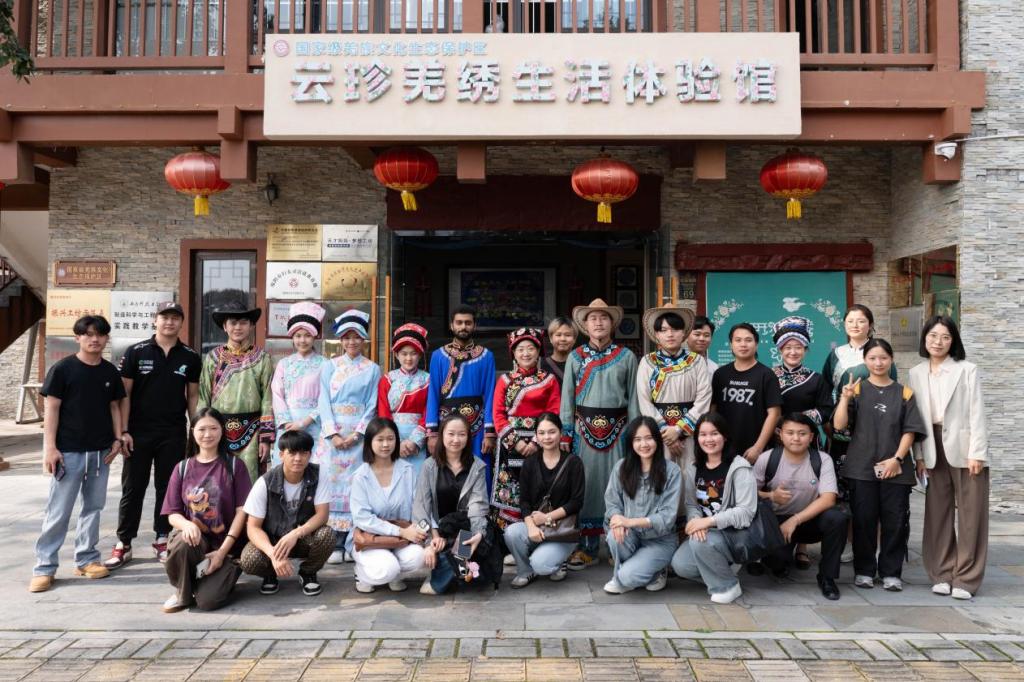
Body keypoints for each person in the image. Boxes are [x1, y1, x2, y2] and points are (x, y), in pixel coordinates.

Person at [30, 315, 126, 593]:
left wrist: (118, 439)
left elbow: (114, 407)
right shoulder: (63, 369)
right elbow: (52, 409)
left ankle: (86, 559)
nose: (94, 339)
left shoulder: (109, 372)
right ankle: (44, 567)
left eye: (100, 334)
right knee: (58, 511)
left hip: (101, 452)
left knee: (93, 508)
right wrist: (50, 448)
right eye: (88, 334)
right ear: (78, 338)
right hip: (68, 452)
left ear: (106, 339)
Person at [105, 301, 201, 569]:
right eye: (164, 317)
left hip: (173, 431)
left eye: (175, 318)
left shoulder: (190, 356)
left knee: (167, 487)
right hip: (138, 432)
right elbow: (125, 394)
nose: (169, 322)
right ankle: (124, 542)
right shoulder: (136, 352)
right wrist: (123, 431)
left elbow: (193, 396)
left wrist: (194, 429)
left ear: (181, 322)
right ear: (154, 320)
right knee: (133, 487)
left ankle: (162, 538)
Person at [832, 338, 927, 592]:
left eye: (883, 358)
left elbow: (910, 430)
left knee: (895, 521)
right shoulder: (857, 391)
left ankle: (891, 573)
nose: (878, 363)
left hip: (896, 469)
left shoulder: (904, 393)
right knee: (863, 521)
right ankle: (864, 570)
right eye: (872, 358)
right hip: (861, 468)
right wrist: (844, 399)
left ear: (891, 360)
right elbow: (839, 425)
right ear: (865, 360)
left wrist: (897, 459)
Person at [909, 316, 989, 599]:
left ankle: (966, 578)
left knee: (971, 514)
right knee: (937, 513)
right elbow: (916, 418)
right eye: (933, 336)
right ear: (925, 339)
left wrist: (977, 452)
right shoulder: (916, 373)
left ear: (953, 340)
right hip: (931, 446)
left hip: (965, 448)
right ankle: (941, 573)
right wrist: (918, 456)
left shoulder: (967, 369)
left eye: (945, 337)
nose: (938, 342)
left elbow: (977, 412)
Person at [560, 298, 639, 570]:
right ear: (585, 325)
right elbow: (567, 398)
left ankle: (619, 544)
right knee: (588, 485)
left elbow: (633, 399)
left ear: (612, 323)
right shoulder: (575, 357)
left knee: (620, 484)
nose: (598, 322)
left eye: (604, 318)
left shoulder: (627, 356)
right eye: (593, 318)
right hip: (584, 431)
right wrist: (566, 433)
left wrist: (636, 434)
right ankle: (588, 548)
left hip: (619, 430)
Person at [160, 407, 252, 612]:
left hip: (226, 547)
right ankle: (183, 593)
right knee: (183, 541)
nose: (207, 434)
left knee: (208, 602)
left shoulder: (235, 466)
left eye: (213, 428)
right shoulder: (182, 468)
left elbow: (242, 512)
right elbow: (173, 514)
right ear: (193, 432)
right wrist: (186, 525)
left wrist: (222, 552)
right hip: (195, 543)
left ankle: (214, 580)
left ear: (222, 430)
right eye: (202, 429)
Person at [751, 413, 848, 600]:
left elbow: (828, 499)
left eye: (802, 433)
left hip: (808, 520)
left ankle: (827, 577)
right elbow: (747, 494)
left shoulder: (822, 459)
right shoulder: (767, 458)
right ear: (780, 434)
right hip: (777, 522)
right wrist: (771, 495)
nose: (796, 438)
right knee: (776, 563)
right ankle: (779, 558)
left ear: (811, 437)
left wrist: (795, 520)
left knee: (837, 517)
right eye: (790, 433)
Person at [671, 413, 757, 605]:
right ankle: (722, 571)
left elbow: (746, 512)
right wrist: (696, 522)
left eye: (714, 433)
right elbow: (691, 504)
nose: (708, 439)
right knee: (681, 566)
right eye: (703, 434)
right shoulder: (694, 468)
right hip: (707, 532)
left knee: (699, 544)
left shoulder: (739, 467)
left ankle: (728, 586)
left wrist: (708, 522)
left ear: (724, 436)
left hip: (734, 534)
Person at [318, 309, 381, 563]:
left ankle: (354, 539)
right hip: (333, 438)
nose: (352, 342)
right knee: (332, 485)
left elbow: (373, 403)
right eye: (347, 337)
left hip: (359, 436)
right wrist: (332, 434)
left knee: (358, 484)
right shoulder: (329, 366)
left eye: (356, 337)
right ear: (341, 340)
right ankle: (333, 541)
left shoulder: (373, 369)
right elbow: (323, 401)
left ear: (363, 339)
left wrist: (357, 434)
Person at [240, 429, 334, 597]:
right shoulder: (265, 482)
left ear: (310, 455)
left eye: (303, 453)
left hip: (303, 538)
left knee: (327, 535)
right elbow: (253, 527)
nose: (298, 458)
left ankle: (308, 573)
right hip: (273, 540)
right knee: (249, 560)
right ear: (281, 455)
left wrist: (296, 533)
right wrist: (273, 554)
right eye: (292, 453)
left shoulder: (318, 474)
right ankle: (270, 573)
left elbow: (322, 515)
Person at [503, 412, 585, 588]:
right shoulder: (530, 463)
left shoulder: (574, 462)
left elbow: (576, 502)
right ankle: (525, 571)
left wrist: (546, 518)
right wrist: (531, 526)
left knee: (541, 565)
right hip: (538, 525)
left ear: (560, 432)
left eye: (552, 432)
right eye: (541, 433)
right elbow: (524, 501)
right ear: (536, 436)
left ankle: (559, 560)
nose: (547, 437)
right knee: (511, 533)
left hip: (563, 530)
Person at [412, 415, 491, 595]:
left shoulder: (477, 466)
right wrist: (432, 539)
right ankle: (450, 571)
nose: (456, 439)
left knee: (469, 546)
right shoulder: (429, 466)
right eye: (451, 434)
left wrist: (478, 534)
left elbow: (478, 506)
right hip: (437, 529)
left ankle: (443, 576)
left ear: (468, 437)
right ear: (442, 435)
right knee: (456, 561)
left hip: (466, 528)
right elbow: (421, 507)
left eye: (462, 434)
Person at [602, 416, 682, 594]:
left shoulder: (672, 471)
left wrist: (629, 522)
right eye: (637, 439)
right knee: (614, 536)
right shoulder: (621, 467)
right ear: (631, 443)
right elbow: (612, 503)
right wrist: (617, 519)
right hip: (631, 535)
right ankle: (632, 570)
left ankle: (655, 570)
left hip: (660, 540)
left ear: (657, 440)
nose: (643, 444)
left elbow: (667, 517)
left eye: (649, 438)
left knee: (628, 578)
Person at [491, 327, 561, 528]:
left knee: (539, 486)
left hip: (542, 442)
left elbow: (553, 411)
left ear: (538, 352)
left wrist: (536, 442)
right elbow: (498, 414)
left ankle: (540, 531)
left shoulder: (549, 380)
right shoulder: (505, 380)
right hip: (510, 443)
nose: (526, 353)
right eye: (520, 349)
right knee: (511, 490)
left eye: (530, 348)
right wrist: (517, 443)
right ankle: (510, 537)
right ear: (513, 353)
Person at [197, 302, 274, 484]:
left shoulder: (262, 358)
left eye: (243, 322)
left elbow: (268, 400)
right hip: (218, 428)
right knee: (218, 482)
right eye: (233, 322)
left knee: (249, 481)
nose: (238, 327)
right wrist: (202, 430)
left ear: (251, 325)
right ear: (225, 326)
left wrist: (265, 438)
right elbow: (203, 397)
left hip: (252, 430)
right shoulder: (213, 358)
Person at [350, 417, 427, 593]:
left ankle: (395, 575)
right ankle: (361, 573)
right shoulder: (361, 476)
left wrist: (421, 531)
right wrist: (400, 531)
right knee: (387, 568)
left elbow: (419, 505)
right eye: (380, 439)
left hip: (402, 538)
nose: (386, 444)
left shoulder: (407, 470)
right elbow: (362, 518)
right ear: (369, 442)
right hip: (371, 538)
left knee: (419, 556)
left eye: (390, 439)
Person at [425, 305, 497, 491]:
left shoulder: (486, 356)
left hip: (477, 424)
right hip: (446, 424)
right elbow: (432, 394)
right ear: (451, 325)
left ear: (474, 325)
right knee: (446, 472)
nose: (463, 326)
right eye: (459, 322)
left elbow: (490, 394)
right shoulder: (438, 356)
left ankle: (479, 509)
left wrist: (489, 433)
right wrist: (432, 433)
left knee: (479, 471)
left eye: (468, 323)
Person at [636, 305, 711, 465]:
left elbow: (704, 399)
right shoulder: (647, 362)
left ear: (684, 333)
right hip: (659, 435)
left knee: (690, 473)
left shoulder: (696, 361)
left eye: (675, 329)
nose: (670, 334)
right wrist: (667, 434)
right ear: (657, 334)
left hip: (690, 434)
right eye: (664, 330)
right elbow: (644, 401)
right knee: (661, 473)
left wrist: (679, 430)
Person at [711, 323, 783, 463]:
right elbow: (713, 410)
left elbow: (774, 414)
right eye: (738, 340)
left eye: (748, 340)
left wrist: (758, 447)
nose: (743, 344)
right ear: (731, 345)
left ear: (756, 344)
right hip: (722, 448)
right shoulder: (720, 374)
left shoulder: (766, 375)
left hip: (753, 450)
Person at [270, 302, 329, 467]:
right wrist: (287, 423)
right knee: (288, 467)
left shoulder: (325, 364)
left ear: (315, 337)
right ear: (292, 337)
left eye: (307, 335)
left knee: (314, 468)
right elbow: (277, 394)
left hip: (314, 425)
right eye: (298, 335)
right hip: (288, 426)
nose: (302, 340)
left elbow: (326, 398)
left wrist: (304, 422)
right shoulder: (284, 364)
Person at [377, 323, 431, 476]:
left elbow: (429, 412)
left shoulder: (428, 380)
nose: (408, 358)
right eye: (404, 353)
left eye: (413, 353)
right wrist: (396, 442)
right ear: (396, 354)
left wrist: (414, 441)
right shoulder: (387, 379)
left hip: (418, 439)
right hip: (392, 438)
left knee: (417, 480)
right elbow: (383, 412)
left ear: (420, 354)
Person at [770, 316, 834, 445]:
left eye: (798, 347)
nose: (793, 352)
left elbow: (826, 410)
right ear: (780, 350)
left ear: (805, 350)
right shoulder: (768, 376)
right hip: (775, 438)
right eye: (788, 348)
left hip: (806, 438)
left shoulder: (816, 378)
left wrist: (800, 420)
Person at [540, 316, 578, 389]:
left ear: (574, 339)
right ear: (551, 338)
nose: (563, 339)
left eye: (567, 335)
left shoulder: (582, 365)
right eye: (558, 335)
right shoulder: (540, 365)